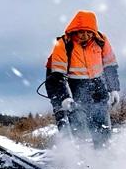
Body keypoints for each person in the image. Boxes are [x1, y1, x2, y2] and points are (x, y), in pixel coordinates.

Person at [45, 10, 120, 148]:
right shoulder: (64, 44)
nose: (85, 36)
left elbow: (110, 66)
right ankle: (78, 157)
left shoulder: (101, 41)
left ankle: (103, 153)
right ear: (75, 31)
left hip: (96, 83)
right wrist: (64, 97)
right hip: (68, 84)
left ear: (94, 31)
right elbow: (57, 76)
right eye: (81, 32)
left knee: (101, 120)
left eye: (89, 32)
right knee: (77, 121)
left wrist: (114, 89)